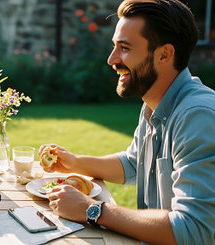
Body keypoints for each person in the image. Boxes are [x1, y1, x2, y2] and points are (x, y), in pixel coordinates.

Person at [39, 0, 215, 244]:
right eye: (114, 47)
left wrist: (93, 210)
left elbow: (194, 230)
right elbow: (133, 163)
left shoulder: (198, 116)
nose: (112, 59)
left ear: (164, 54)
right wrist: (74, 163)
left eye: (125, 48)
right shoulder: (155, 103)